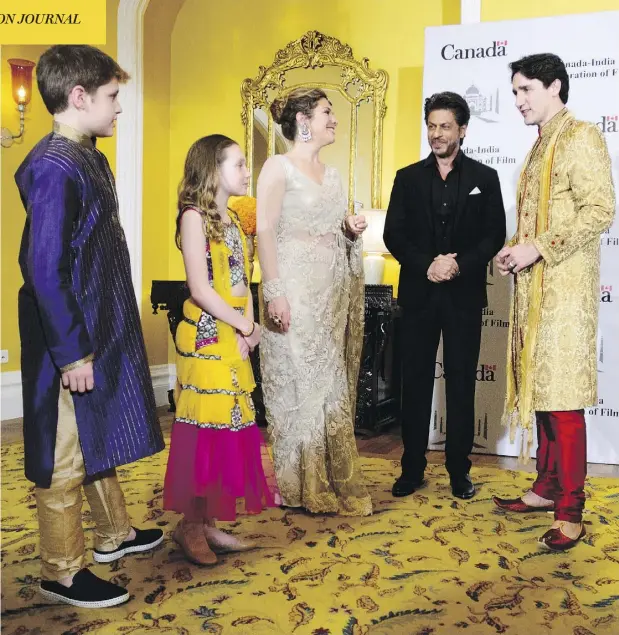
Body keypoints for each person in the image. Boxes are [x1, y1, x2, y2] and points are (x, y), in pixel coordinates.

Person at [15, 45, 165, 609]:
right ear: (79, 98)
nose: (119, 107)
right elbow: (43, 268)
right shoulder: (55, 168)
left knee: (96, 430)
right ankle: (60, 569)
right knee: (64, 451)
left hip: (95, 326)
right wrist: (74, 353)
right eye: (112, 96)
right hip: (66, 340)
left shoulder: (87, 154)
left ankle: (113, 535)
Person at [493, 54, 615, 551]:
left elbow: (601, 208)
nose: (518, 101)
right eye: (516, 92)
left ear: (555, 87)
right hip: (534, 291)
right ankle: (546, 488)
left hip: (565, 292)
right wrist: (514, 249)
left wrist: (538, 248)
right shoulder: (540, 146)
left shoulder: (581, 135)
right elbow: (537, 221)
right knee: (543, 394)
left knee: (562, 401)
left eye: (526, 91)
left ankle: (572, 511)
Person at [163, 134, 279, 564]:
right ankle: (189, 526)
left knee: (228, 430)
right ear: (213, 169)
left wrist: (250, 327)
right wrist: (244, 323)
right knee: (204, 432)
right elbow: (200, 288)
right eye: (240, 163)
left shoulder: (231, 217)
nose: (248, 171)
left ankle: (209, 522)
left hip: (233, 332)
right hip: (210, 333)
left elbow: (242, 279)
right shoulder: (193, 217)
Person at [384, 92, 506, 500]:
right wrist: (428, 264)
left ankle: (459, 471)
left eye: (445, 127)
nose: (436, 134)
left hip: (463, 296)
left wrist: (458, 264)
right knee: (415, 382)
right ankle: (411, 468)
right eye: (432, 126)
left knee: (460, 384)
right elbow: (393, 235)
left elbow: (493, 234)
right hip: (419, 295)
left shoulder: (484, 179)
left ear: (463, 130)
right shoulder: (407, 177)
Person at [256, 88, 372, 516]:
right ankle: (300, 484)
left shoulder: (335, 174)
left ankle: (329, 477)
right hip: (295, 293)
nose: (334, 119)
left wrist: (349, 230)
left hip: (331, 294)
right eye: (327, 112)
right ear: (303, 119)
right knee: (300, 385)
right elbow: (265, 231)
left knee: (328, 386)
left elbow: (330, 231)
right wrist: (274, 292)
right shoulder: (278, 168)